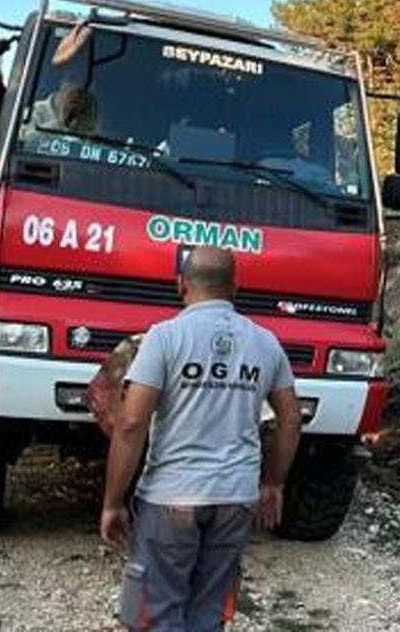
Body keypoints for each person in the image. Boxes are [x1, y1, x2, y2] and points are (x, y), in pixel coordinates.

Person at [101, 246, 302, 632]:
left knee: (156, 614)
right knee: (209, 612)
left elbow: (130, 424)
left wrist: (113, 502)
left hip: (171, 497)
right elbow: (291, 419)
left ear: (181, 284)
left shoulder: (163, 338)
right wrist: (273, 483)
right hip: (235, 497)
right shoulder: (265, 342)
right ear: (235, 286)